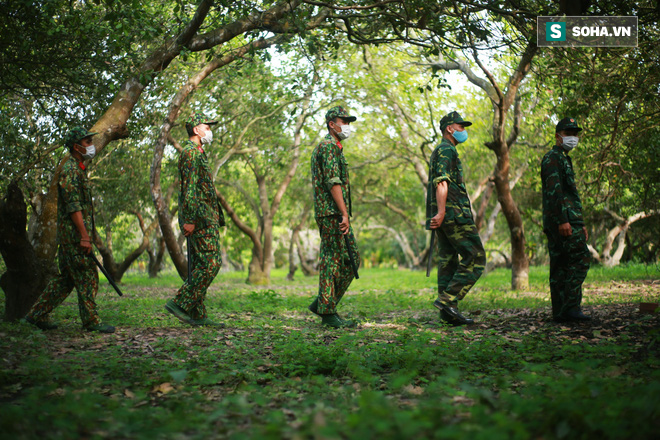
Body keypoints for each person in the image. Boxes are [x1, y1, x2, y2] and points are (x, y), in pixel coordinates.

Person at [23, 127, 115, 333]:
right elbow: (74, 207)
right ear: (76, 147)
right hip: (74, 237)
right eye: (87, 142)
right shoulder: (71, 170)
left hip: (70, 236)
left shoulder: (77, 167)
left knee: (65, 280)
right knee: (88, 275)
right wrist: (84, 236)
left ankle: (35, 315)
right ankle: (91, 320)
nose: (91, 145)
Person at [164, 112, 226, 327]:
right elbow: (189, 189)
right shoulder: (190, 154)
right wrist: (190, 219)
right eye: (206, 127)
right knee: (211, 263)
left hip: (205, 216)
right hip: (199, 218)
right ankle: (180, 303)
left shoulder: (198, 152)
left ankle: (198, 315)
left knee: (201, 263)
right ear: (196, 130)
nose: (210, 130)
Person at [426, 111, 486, 326]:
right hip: (453, 214)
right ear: (449, 129)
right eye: (460, 127)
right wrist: (442, 213)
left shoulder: (442, 150)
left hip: (447, 213)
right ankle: (448, 300)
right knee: (476, 257)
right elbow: (442, 183)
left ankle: (448, 314)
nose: (463, 131)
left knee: (448, 261)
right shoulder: (446, 150)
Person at [308, 106, 360, 328]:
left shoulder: (335, 148)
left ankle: (323, 303)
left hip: (335, 213)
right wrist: (344, 213)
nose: (347, 125)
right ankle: (328, 312)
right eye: (343, 121)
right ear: (332, 124)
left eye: (348, 121)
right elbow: (333, 182)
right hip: (331, 213)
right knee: (332, 260)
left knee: (352, 259)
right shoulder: (328, 147)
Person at [541, 117, 591, 322]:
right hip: (562, 220)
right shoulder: (553, 158)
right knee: (581, 259)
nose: (573, 137)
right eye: (569, 133)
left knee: (561, 265)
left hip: (570, 219)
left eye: (575, 134)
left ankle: (561, 313)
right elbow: (555, 191)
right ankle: (570, 307)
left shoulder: (563, 158)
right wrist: (563, 220)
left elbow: (569, 194)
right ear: (558, 136)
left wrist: (581, 222)